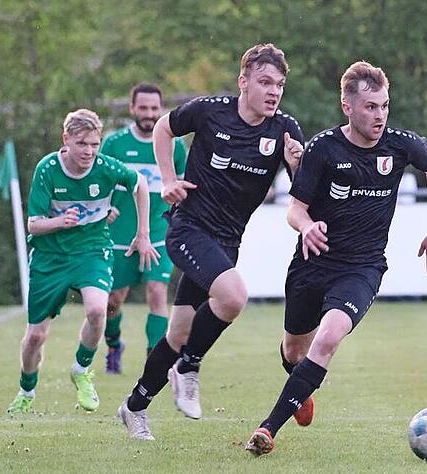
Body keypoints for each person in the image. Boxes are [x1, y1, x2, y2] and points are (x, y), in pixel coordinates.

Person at [245, 60, 427, 456]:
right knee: (294, 351)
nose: (380, 115)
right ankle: (300, 387)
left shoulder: (400, 144)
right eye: (371, 107)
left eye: (385, 106)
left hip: (362, 269)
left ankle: (267, 429)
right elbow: (295, 209)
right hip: (313, 263)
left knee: (329, 337)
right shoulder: (323, 149)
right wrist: (306, 227)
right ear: (348, 107)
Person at [117, 43, 304, 440]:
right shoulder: (210, 110)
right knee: (233, 297)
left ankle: (134, 407)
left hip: (226, 242)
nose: (273, 91)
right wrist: (167, 178)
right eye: (265, 82)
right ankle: (189, 366)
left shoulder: (285, 130)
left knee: (179, 333)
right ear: (244, 82)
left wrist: (297, 163)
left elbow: (301, 193)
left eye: (280, 85)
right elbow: (165, 127)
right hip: (188, 229)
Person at [7, 109, 157, 414]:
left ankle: (81, 370)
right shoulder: (48, 168)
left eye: (94, 144)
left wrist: (143, 233)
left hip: (92, 250)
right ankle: (26, 389)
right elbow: (33, 224)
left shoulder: (105, 167)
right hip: (50, 256)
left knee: (97, 309)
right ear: (66, 140)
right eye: (82, 144)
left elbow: (140, 184)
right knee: (36, 336)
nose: (89, 151)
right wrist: (61, 221)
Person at [101, 83, 188, 374]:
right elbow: (100, 184)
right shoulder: (114, 144)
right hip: (120, 235)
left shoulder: (174, 146)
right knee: (113, 300)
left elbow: (184, 187)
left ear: (160, 109)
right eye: (144, 108)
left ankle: (156, 359)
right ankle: (114, 344)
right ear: (132, 108)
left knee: (156, 291)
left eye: (154, 108)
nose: (149, 114)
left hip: (160, 233)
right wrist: (107, 208)